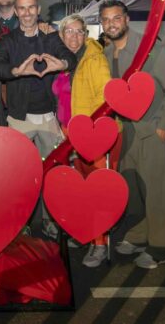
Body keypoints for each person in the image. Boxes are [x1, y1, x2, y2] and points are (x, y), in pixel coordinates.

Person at [100, 0, 165, 270]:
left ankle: (160, 248)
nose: (111, 23)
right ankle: (140, 234)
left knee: (158, 190)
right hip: (127, 133)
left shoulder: (149, 50)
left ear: (126, 19)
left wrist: (164, 125)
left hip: (152, 130)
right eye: (106, 20)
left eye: (116, 18)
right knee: (135, 190)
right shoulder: (107, 53)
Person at [0, 0, 77, 239]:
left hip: (49, 118)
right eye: (22, 8)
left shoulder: (50, 38)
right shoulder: (9, 41)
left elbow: (69, 56)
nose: (27, 13)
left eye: (31, 8)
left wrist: (63, 64)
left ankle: (51, 220)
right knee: (19, 176)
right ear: (16, 12)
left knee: (52, 174)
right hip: (19, 119)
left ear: (38, 10)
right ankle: (22, 222)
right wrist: (17, 71)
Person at [53, 14, 115, 268]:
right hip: (66, 133)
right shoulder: (63, 60)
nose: (74, 36)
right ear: (61, 34)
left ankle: (100, 244)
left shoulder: (94, 59)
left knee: (97, 191)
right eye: (69, 31)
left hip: (89, 135)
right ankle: (85, 233)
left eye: (80, 32)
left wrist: (91, 133)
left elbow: (106, 98)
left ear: (86, 35)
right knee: (78, 189)